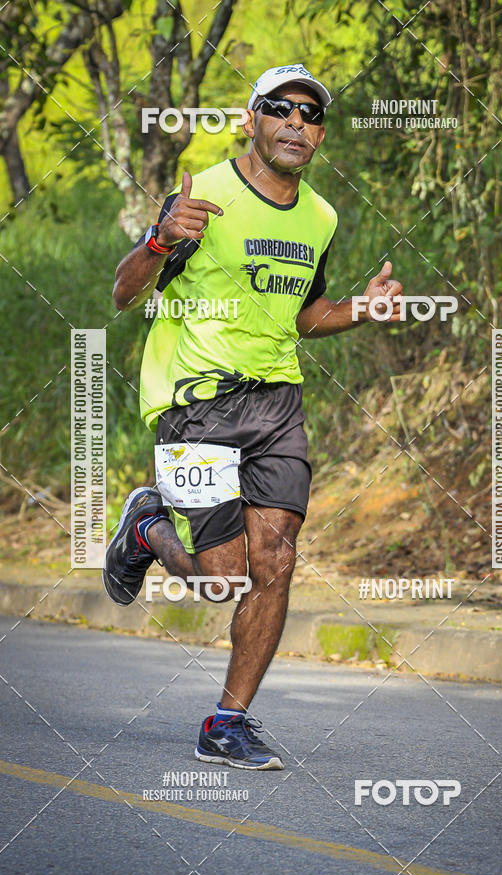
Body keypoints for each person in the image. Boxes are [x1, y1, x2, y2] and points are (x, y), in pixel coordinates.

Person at [103, 63, 403, 770]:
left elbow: (303, 315)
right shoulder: (202, 196)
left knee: (277, 560)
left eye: (311, 114)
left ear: (320, 134)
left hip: (277, 402)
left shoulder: (321, 217)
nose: (297, 122)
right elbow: (123, 293)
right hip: (198, 401)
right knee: (222, 581)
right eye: (280, 108)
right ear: (250, 120)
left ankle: (226, 723)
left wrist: (361, 309)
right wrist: (157, 240)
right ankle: (146, 526)